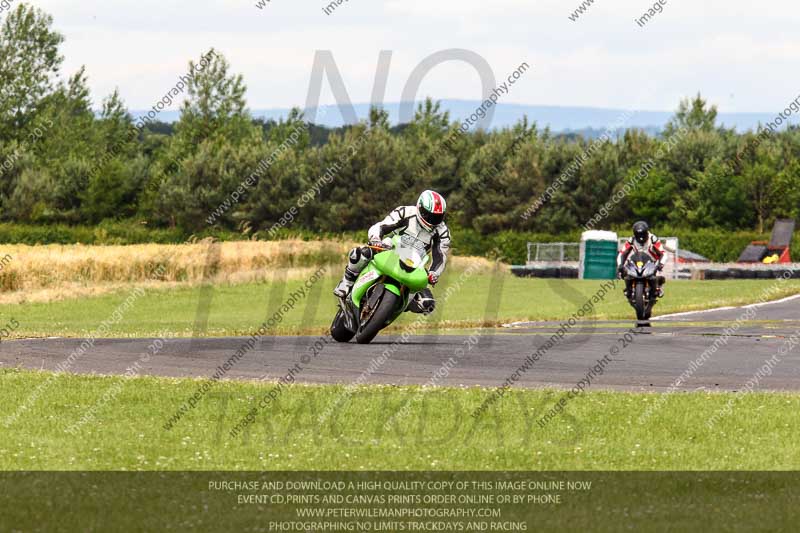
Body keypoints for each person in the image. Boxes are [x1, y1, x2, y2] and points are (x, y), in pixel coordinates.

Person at [333, 190, 451, 314]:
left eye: (437, 217)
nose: (432, 220)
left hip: (416, 263)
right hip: (391, 248)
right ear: (420, 207)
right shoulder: (405, 212)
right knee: (360, 253)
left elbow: (440, 257)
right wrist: (376, 239)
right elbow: (382, 226)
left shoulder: (442, 232)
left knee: (428, 303)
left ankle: (397, 306)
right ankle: (346, 282)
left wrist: (434, 273)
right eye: (429, 215)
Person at [617, 220, 667, 298]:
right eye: (638, 235)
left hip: (652, 262)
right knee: (624, 272)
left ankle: (657, 287)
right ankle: (629, 288)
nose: (641, 238)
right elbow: (623, 253)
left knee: (659, 276)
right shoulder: (632, 240)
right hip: (637, 262)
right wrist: (620, 265)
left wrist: (661, 264)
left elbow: (662, 253)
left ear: (647, 232)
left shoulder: (653, 239)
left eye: (643, 235)